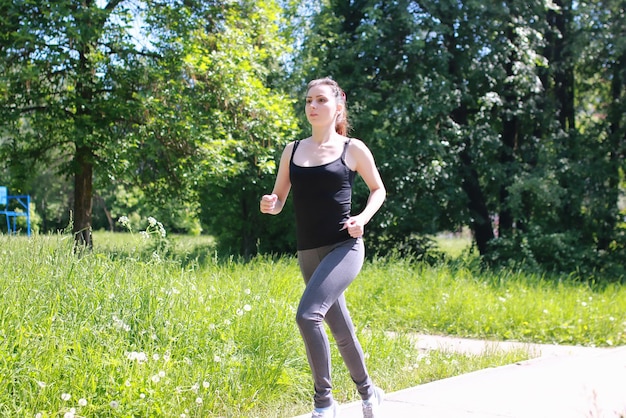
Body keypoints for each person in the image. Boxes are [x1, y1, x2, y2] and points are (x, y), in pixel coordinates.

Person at [260, 77, 387, 418]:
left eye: (320, 100)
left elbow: (378, 190)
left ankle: (323, 402)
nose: (312, 106)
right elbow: (280, 198)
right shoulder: (293, 150)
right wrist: (271, 204)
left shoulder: (352, 149)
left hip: (344, 247)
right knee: (341, 329)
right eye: (308, 101)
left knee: (307, 315)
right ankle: (369, 392)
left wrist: (362, 217)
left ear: (337, 107)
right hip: (308, 252)